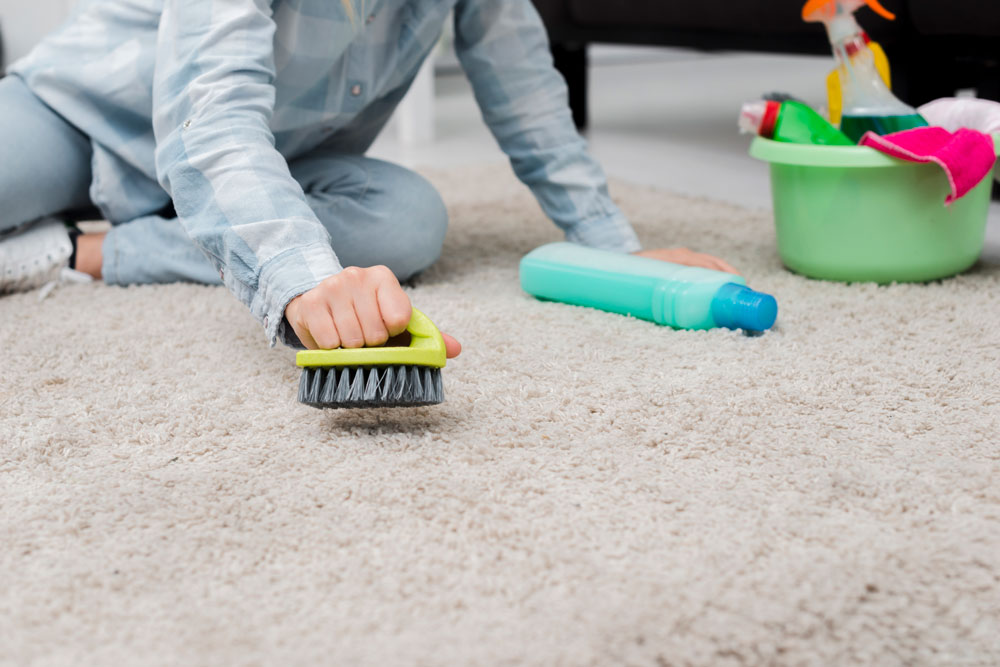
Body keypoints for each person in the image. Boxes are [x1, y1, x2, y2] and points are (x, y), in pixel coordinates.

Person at [0, 0, 738, 359]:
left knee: (407, 220)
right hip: (88, 116)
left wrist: (610, 243)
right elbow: (210, 123)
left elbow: (525, 85)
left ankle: (74, 254)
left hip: (274, 163)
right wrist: (304, 280)